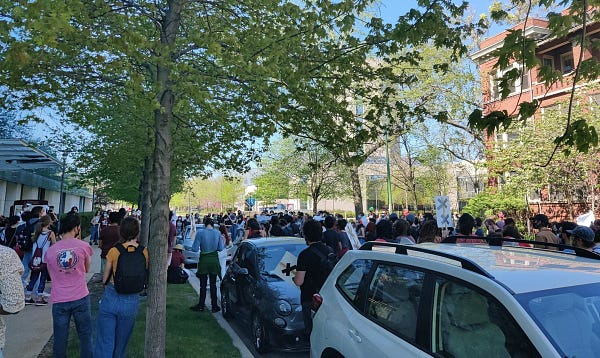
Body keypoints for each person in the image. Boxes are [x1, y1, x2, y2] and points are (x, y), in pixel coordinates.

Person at [95, 216, 148, 358]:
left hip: (112, 296)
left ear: (121, 232)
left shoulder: (114, 251)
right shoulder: (144, 252)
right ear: (137, 232)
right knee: (121, 344)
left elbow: (105, 278)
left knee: (105, 342)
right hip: (131, 300)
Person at [45, 214, 93, 358]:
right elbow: (87, 268)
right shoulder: (84, 246)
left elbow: (51, 274)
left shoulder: (51, 251)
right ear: (77, 228)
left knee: (60, 338)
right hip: (80, 296)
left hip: (60, 298)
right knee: (85, 335)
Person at [293, 219, 332, 335]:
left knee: (312, 332)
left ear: (305, 235)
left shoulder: (304, 255)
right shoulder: (329, 251)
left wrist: (294, 278)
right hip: (328, 297)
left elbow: (299, 281)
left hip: (310, 298)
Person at [190, 217, 224, 312]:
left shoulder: (200, 233)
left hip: (204, 260)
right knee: (213, 284)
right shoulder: (217, 233)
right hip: (214, 260)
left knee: (203, 284)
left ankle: (201, 305)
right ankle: (214, 306)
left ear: (205, 224)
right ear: (213, 225)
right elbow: (220, 248)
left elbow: (195, 249)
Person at [24, 215, 56, 305]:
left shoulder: (37, 232)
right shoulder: (50, 233)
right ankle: (39, 298)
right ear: (49, 222)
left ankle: (28, 296)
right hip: (45, 259)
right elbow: (54, 245)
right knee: (43, 278)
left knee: (33, 278)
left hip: (35, 259)